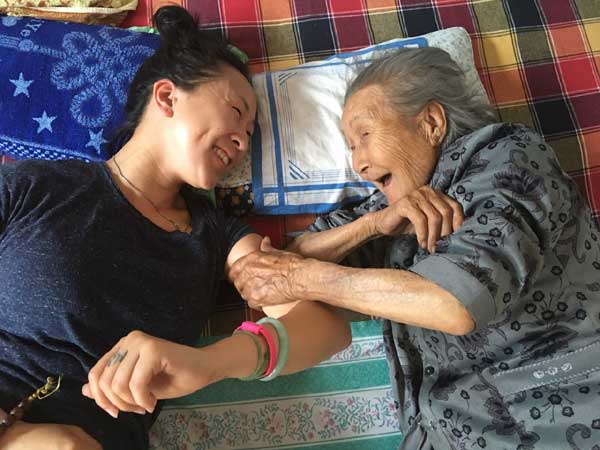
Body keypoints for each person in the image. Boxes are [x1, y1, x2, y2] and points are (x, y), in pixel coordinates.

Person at [0, 6, 356, 450]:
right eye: (236, 111)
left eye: (250, 131)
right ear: (167, 96)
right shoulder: (35, 186)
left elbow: (325, 328)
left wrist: (210, 363)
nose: (244, 141)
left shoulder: (217, 238)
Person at [230, 47, 600, 450]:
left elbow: (456, 303)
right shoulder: (389, 207)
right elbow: (286, 261)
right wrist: (371, 226)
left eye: (364, 135)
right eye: (350, 146)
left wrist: (301, 278)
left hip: (558, 410)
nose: (357, 163)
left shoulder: (508, 158)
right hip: (445, 431)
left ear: (431, 122)